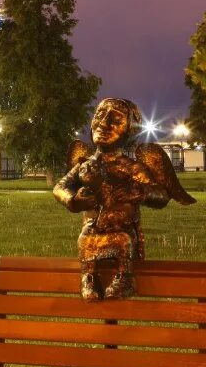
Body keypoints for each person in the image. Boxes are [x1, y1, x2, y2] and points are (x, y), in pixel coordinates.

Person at [53, 98, 195, 301]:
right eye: (100, 115)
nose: (103, 123)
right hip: (93, 230)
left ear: (130, 130)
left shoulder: (131, 168)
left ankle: (125, 277)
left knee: (123, 240)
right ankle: (89, 276)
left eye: (115, 119)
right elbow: (60, 187)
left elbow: (161, 194)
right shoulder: (85, 166)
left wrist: (140, 192)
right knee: (84, 240)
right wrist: (72, 200)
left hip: (123, 230)